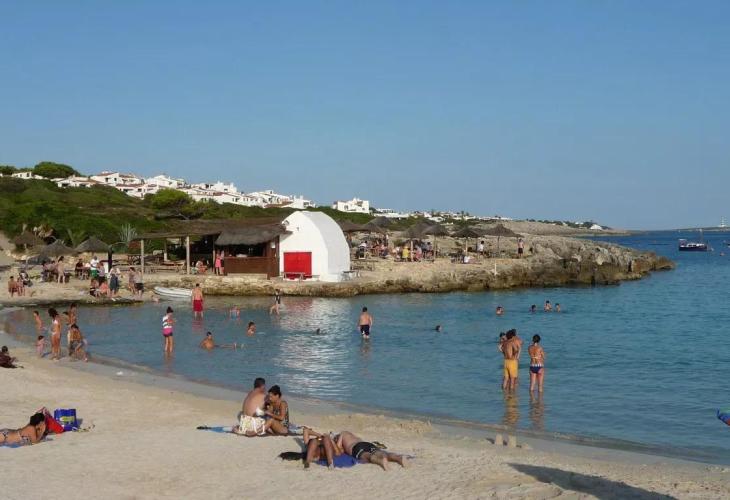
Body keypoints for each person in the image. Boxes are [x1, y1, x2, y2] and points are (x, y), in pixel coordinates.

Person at [335, 431, 407, 470]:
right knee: (380, 453)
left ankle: (381, 461)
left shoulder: (342, 434)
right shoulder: (351, 434)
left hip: (356, 447)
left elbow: (337, 448)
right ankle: (398, 458)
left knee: (367, 456)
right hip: (366, 443)